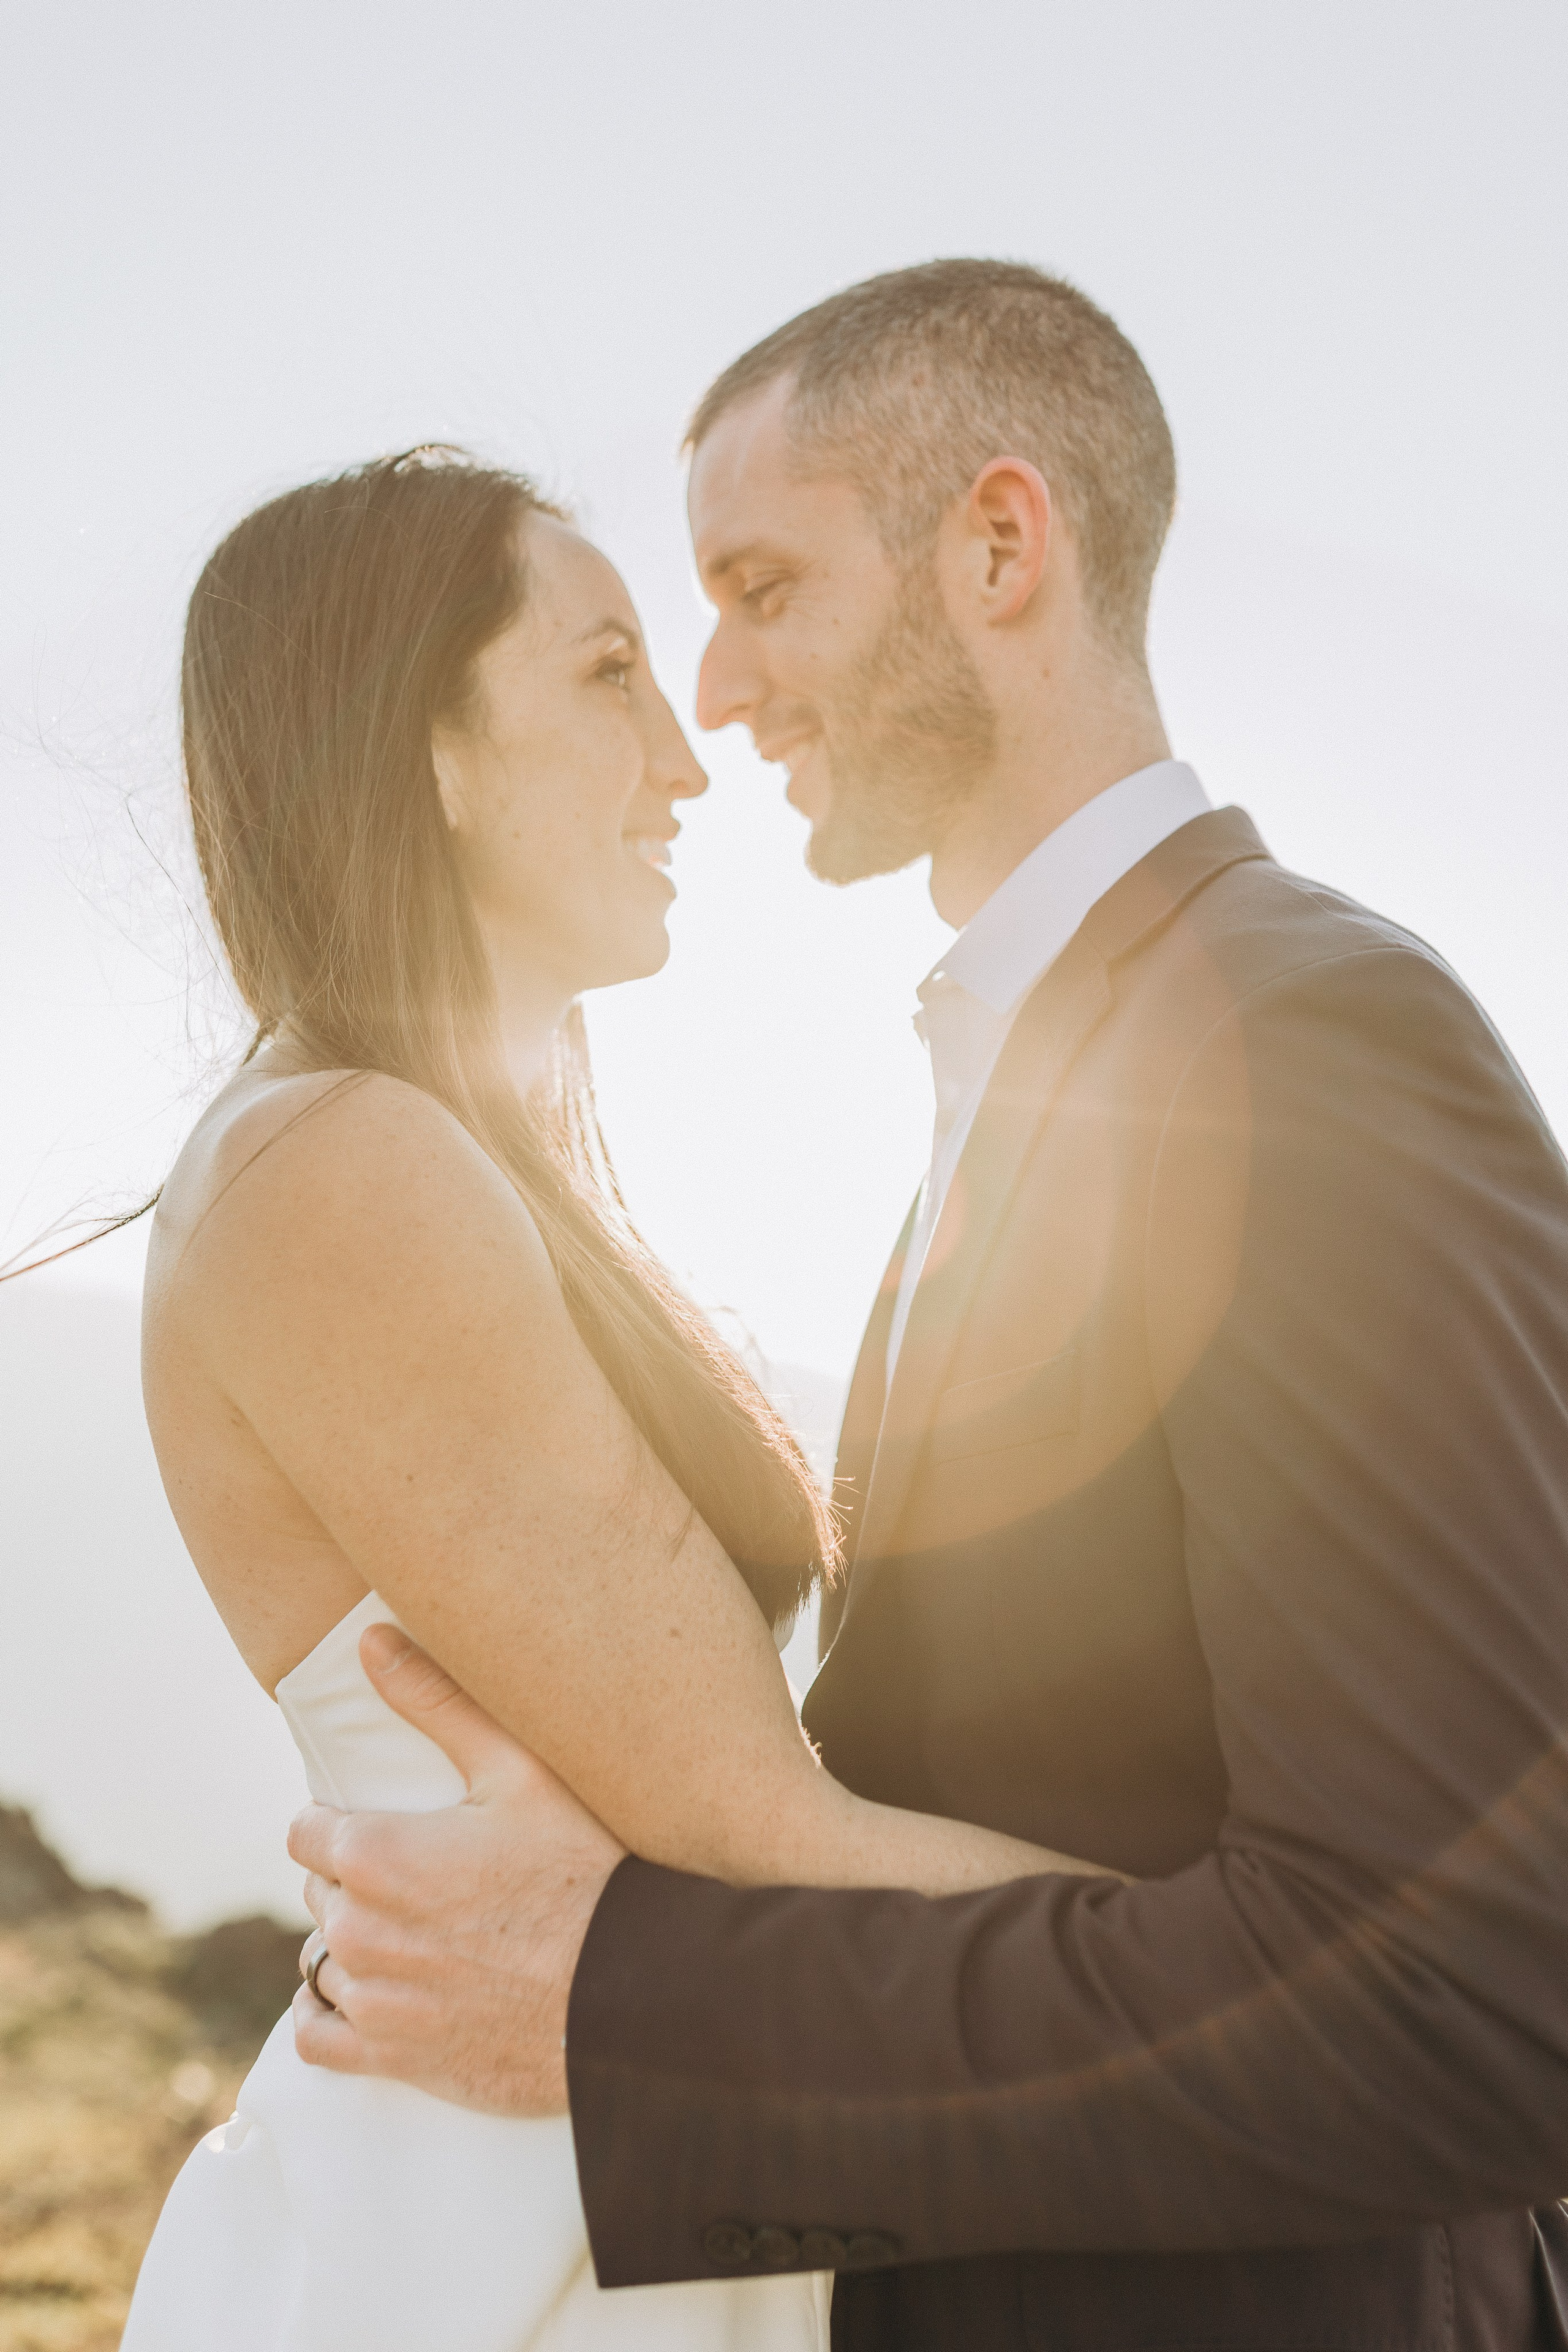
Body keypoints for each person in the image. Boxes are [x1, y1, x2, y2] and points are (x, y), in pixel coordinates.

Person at [289, 262, 1568, 2352]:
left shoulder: (1302, 1042)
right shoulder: (1052, 1069)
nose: (718, 692)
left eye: (762, 588)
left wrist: (633, 2010)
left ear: (997, 545)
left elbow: (1460, 1992)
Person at [119, 444, 1112, 2352]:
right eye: (607, 677)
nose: (685, 759)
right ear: (425, 747)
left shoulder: (434, 1155)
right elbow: (766, 1831)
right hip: (491, 2246)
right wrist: (1342, 1994)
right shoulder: (336, 1165)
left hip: (581, 2176)